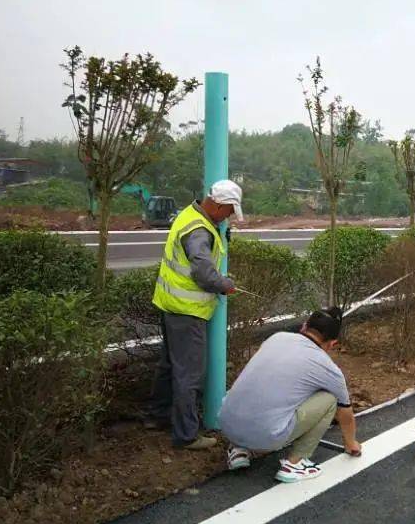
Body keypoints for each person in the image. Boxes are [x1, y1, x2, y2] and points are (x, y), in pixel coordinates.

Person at [146, 179, 243, 450]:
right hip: (187, 312)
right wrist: (225, 284)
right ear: (218, 205)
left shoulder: (189, 216)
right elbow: (203, 271)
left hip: (170, 304)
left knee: (168, 366)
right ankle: (186, 435)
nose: (229, 217)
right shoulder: (200, 231)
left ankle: (157, 416)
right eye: (229, 211)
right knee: (188, 374)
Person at [218, 308, 363, 483]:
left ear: (304, 327)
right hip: (265, 436)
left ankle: (238, 449)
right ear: (332, 344)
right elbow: (345, 414)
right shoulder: (328, 368)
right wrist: (351, 444)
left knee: (259, 386)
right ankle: (296, 463)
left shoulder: (276, 338)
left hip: (226, 425)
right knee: (330, 400)